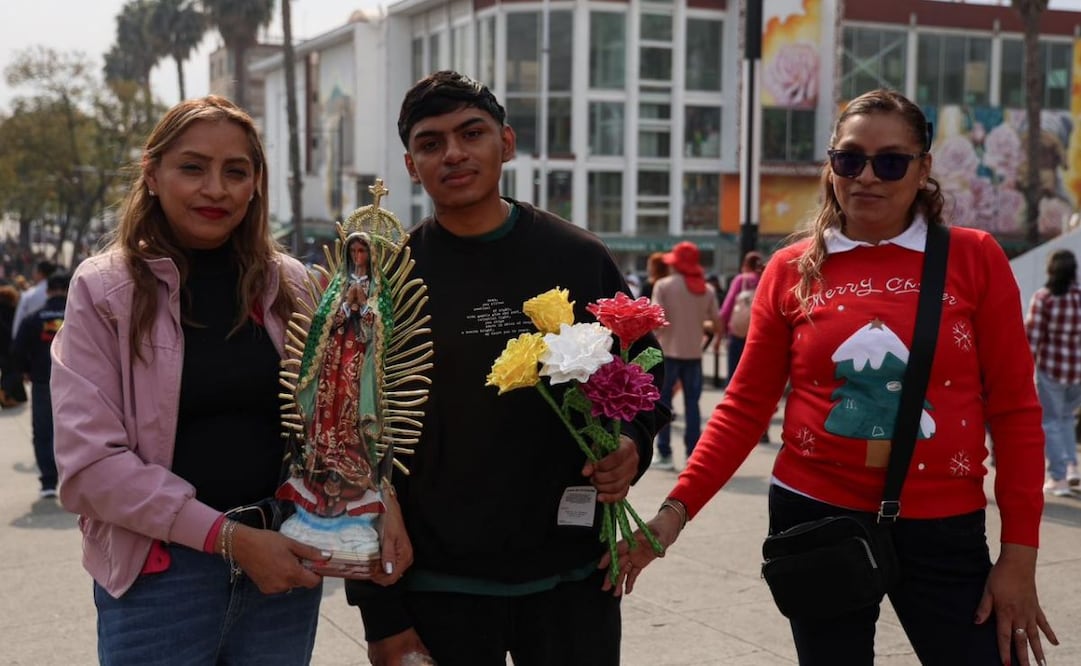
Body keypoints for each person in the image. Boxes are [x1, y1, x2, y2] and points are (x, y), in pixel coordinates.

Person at [611, 89, 1057, 666]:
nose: (867, 176)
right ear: (831, 165)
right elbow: (744, 407)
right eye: (850, 159)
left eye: (890, 161)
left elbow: (1016, 411)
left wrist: (1019, 556)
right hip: (816, 521)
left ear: (923, 170)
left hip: (944, 527)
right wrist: (673, 515)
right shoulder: (791, 268)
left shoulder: (974, 257)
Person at [49, 96, 402, 665]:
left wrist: (379, 498)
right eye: (192, 167)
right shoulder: (105, 290)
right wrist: (230, 540)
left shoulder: (293, 286)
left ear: (256, 183)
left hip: (285, 565)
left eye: (235, 171)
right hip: (161, 579)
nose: (215, 188)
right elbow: (89, 469)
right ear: (153, 174)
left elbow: (340, 416)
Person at [345, 70, 669, 666]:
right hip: (438, 582)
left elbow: (643, 379)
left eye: (472, 133)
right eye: (430, 143)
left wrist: (630, 445)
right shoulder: (386, 281)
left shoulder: (576, 256)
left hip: (571, 576)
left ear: (508, 143)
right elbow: (353, 441)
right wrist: (380, 616)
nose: (454, 153)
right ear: (412, 166)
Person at [649, 241, 720, 471]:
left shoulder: (663, 285)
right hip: (694, 355)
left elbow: (656, 320)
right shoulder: (706, 290)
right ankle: (693, 455)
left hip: (668, 353)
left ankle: (665, 453)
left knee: (663, 405)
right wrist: (699, 324)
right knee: (693, 406)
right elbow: (717, 323)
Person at [1025, 249, 1081, 497]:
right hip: (1078, 370)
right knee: (1067, 418)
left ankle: (1057, 478)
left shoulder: (1044, 298)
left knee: (1051, 422)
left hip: (1050, 368)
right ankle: (1071, 468)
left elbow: (1032, 338)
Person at [11, 272, 69, 498]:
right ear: (67, 289)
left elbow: (17, 349)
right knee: (76, 429)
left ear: (48, 291)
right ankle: (71, 478)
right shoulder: (82, 315)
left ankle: (48, 481)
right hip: (78, 381)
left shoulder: (34, 318)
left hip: (43, 379)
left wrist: (25, 370)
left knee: (44, 431)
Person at [719, 250, 764, 378]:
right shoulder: (764, 279)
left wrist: (720, 334)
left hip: (737, 334)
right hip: (758, 335)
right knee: (754, 375)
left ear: (745, 264)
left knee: (734, 375)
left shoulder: (741, 280)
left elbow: (726, 308)